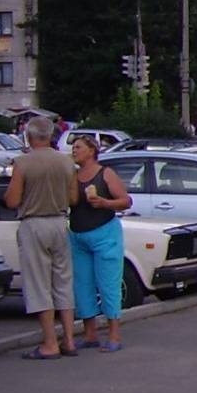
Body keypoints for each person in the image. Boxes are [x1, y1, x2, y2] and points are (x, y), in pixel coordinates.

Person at [4, 116, 78, 360]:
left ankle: (49, 343)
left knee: (39, 284)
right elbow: (73, 199)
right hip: (59, 222)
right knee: (63, 283)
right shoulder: (66, 162)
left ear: (29, 136)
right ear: (51, 135)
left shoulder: (22, 163)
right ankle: (68, 339)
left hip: (34, 223)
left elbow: (13, 200)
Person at [67, 134, 132, 351]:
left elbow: (125, 201)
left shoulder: (105, 173)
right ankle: (90, 333)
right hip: (78, 234)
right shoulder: (73, 175)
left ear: (91, 150)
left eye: (78, 147)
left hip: (104, 233)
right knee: (82, 284)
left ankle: (114, 335)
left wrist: (104, 202)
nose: (74, 151)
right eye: (73, 148)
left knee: (108, 283)